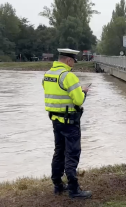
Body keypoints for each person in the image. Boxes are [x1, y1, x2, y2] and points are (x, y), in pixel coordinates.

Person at [42, 48, 92, 198]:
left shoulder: (48, 74)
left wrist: (76, 90)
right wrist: (83, 91)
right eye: (73, 62)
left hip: (55, 120)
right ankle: (74, 189)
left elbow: (55, 92)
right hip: (70, 122)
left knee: (59, 152)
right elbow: (78, 100)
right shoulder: (68, 76)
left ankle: (57, 184)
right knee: (72, 153)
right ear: (69, 60)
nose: (73, 66)